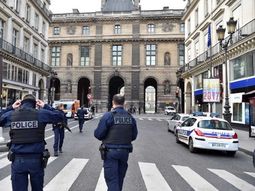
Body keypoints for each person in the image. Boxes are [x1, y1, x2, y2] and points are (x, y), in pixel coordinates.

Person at [0, 94, 64, 191]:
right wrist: (45, 106)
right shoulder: (41, 113)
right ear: (35, 104)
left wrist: (11, 108)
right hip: (36, 160)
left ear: (21, 104)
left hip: (18, 160)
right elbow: (60, 116)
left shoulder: (12, 115)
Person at [94, 94, 138, 191]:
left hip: (110, 152)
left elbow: (98, 134)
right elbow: (134, 136)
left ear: (113, 102)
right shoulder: (130, 117)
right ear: (124, 103)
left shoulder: (108, 116)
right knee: (119, 179)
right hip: (124, 152)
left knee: (112, 180)